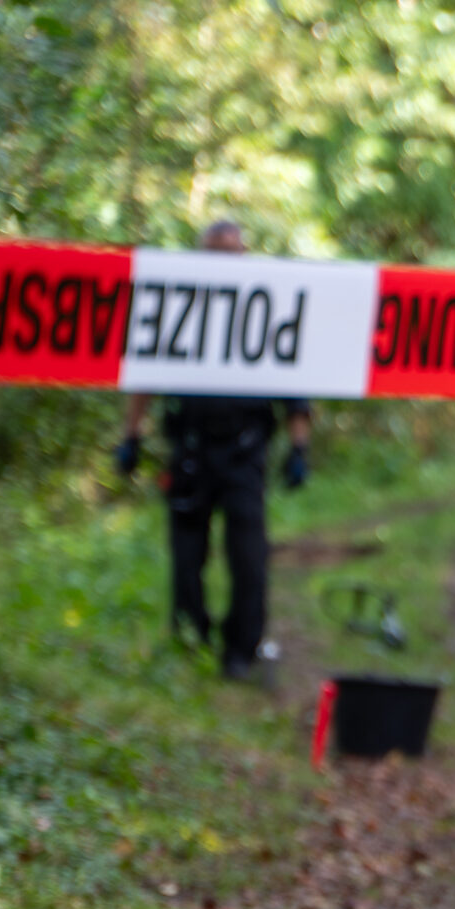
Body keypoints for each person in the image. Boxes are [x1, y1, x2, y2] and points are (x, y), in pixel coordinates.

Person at [116, 220, 311, 682]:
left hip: (244, 453)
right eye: (213, 252)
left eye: (230, 251)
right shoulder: (178, 304)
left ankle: (240, 651)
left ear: (244, 253)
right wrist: (131, 435)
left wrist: (299, 446)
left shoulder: (267, 306)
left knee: (248, 557)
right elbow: (146, 371)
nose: (222, 260)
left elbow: (295, 383)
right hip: (190, 451)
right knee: (186, 555)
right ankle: (191, 637)